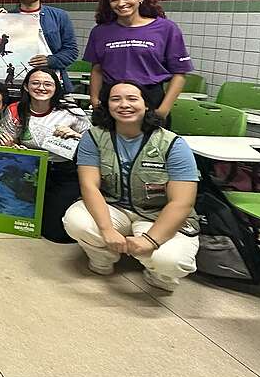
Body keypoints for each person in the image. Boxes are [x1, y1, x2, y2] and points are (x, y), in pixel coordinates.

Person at [64, 81, 200, 291]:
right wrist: (107, 229)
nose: (124, 104)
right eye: (115, 99)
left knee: (171, 261)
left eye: (132, 98)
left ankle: (158, 275)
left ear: (146, 105)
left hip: (156, 214)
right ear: (107, 105)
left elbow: (182, 202)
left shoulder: (173, 144)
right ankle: (104, 258)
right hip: (115, 208)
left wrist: (151, 240)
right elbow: (89, 186)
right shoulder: (94, 137)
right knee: (76, 221)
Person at [0, 66, 91, 243]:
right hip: (30, 170)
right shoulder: (16, 110)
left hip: (64, 172)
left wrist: (77, 136)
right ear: (26, 86)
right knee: (21, 220)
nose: (41, 88)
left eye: (48, 84)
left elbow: (95, 144)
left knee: (53, 233)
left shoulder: (71, 111)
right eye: (36, 83)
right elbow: (4, 140)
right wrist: (14, 148)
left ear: (56, 87)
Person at [85, 0, 191, 120]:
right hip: (112, 98)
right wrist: (95, 101)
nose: (121, 3)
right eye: (114, 0)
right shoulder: (100, 32)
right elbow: (97, 69)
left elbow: (179, 73)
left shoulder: (166, 28)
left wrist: (162, 110)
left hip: (151, 99)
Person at [11, 0, 78, 92]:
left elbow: (71, 52)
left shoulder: (59, 16)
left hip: (51, 81)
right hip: (18, 82)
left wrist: (50, 60)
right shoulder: (7, 18)